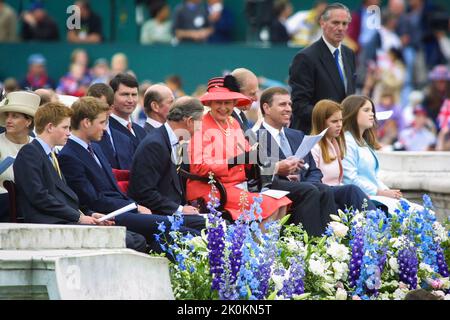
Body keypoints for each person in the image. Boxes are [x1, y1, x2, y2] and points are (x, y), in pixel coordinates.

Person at [57, 97, 203, 250]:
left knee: (195, 225)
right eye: (101, 123)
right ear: (86, 123)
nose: (105, 128)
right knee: (186, 229)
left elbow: (112, 190)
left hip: (124, 209)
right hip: (109, 215)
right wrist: (134, 206)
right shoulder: (70, 155)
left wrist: (134, 206)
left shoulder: (95, 148)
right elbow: (93, 199)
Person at [12, 101, 147, 252]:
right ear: (50, 127)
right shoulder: (30, 153)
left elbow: (65, 197)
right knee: (133, 241)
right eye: (65, 127)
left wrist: (91, 214)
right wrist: (79, 217)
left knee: (136, 238)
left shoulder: (51, 155)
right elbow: (39, 197)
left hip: (64, 220)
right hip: (50, 224)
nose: (69, 133)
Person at [187, 77, 291, 224]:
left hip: (237, 186)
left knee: (283, 201)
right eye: (218, 102)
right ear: (209, 103)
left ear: (234, 103)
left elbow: (247, 153)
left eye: (227, 102)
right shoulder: (200, 126)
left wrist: (256, 157)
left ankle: (268, 245)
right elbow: (199, 167)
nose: (223, 107)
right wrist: (234, 161)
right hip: (212, 189)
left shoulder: (233, 123)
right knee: (269, 205)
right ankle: (257, 246)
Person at [256, 87, 337, 236]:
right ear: (266, 108)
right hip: (275, 186)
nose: (288, 109)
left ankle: (331, 243)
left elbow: (314, 170)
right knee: (310, 190)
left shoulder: (297, 135)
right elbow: (260, 174)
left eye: (290, 104)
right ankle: (310, 245)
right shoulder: (256, 137)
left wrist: (309, 181)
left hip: (304, 185)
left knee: (324, 189)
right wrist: (284, 172)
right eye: (282, 104)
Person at [128, 97, 208, 230]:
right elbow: (145, 193)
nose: (200, 129)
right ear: (189, 121)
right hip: (156, 217)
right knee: (213, 227)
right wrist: (180, 209)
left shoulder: (172, 141)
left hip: (170, 212)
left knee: (216, 222)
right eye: (200, 123)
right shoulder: (155, 144)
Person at [288, 2, 356, 134]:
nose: (340, 28)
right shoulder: (305, 57)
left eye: (344, 23)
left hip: (341, 136)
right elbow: (300, 106)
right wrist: (332, 118)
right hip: (314, 136)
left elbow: (348, 96)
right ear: (322, 23)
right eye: (335, 23)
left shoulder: (349, 54)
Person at [310, 99, 377, 210]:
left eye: (341, 120)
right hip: (325, 195)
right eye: (334, 121)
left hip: (337, 194)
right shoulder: (314, 147)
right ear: (321, 122)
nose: (339, 125)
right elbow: (313, 181)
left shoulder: (336, 144)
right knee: (352, 190)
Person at [342, 95, 402, 200]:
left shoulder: (364, 142)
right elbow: (349, 180)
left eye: (372, 110)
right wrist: (380, 193)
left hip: (374, 195)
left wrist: (388, 191)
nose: (372, 114)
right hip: (362, 199)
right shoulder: (347, 141)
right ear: (353, 113)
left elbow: (373, 178)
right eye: (366, 110)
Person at [0, 91, 40, 222]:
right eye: (7, 115)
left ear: (28, 121)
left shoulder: (37, 147)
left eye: (15, 116)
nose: (8, 120)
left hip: (36, 211)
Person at [86, 83, 134, 169]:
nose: (93, 111)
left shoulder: (125, 139)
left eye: (99, 106)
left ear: (111, 108)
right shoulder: (85, 139)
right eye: (90, 107)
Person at [108, 73, 147, 150]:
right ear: (112, 96)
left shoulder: (141, 131)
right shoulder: (105, 131)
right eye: (125, 94)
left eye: (134, 95)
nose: (130, 100)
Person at [229, 68, 259, 133]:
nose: (256, 99)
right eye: (252, 94)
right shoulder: (225, 118)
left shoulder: (240, 115)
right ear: (236, 91)